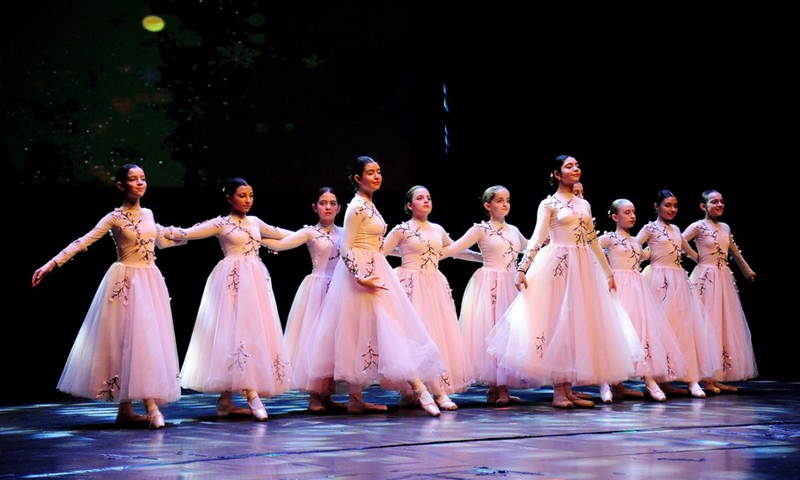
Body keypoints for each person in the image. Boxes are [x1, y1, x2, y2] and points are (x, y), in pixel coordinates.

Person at [31, 164, 186, 429]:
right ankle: (146, 406)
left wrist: (200, 232)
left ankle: (132, 409)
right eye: (133, 180)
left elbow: (162, 239)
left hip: (150, 282)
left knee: (147, 340)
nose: (140, 183)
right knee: (126, 341)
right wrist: (51, 264)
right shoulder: (114, 217)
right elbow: (83, 241)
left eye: (143, 179)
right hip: (125, 282)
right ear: (120, 186)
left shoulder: (148, 214)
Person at [485, 155, 643, 409]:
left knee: (575, 325)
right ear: (557, 174)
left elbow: (591, 240)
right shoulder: (548, 204)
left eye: (577, 165)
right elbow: (538, 238)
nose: (575, 169)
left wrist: (607, 273)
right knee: (558, 322)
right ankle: (559, 390)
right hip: (558, 265)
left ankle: (568, 389)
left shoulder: (584, 204)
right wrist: (523, 268)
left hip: (582, 267)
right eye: (569, 166)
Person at [298, 156, 449, 417]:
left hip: (376, 267)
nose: (377, 176)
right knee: (363, 330)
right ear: (358, 179)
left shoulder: (370, 205)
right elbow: (346, 246)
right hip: (362, 272)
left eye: (379, 172)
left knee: (389, 327)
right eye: (370, 173)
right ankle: (412, 390)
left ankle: (388, 393)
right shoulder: (356, 207)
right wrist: (359, 276)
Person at [164, 178, 294, 421]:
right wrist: (157, 231)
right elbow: (187, 233)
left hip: (255, 282)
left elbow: (283, 235)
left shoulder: (255, 222)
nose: (247, 200)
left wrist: (312, 235)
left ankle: (225, 402)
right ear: (229, 198)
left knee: (253, 332)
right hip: (231, 282)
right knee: (232, 333)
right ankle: (250, 394)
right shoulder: (220, 223)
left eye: (251, 195)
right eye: (242, 195)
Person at [380, 185, 478, 411]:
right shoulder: (401, 230)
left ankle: (437, 390)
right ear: (409, 205)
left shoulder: (437, 229)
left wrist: (486, 258)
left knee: (437, 334)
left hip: (433, 285)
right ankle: (417, 389)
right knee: (414, 337)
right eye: (420, 198)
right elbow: (379, 253)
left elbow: (453, 250)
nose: (426, 201)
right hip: (410, 286)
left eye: (428, 198)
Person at [441, 185, 530, 406]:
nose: (505, 204)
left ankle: (499, 388)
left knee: (508, 334)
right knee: (493, 331)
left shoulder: (514, 230)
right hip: (490, 284)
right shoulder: (480, 229)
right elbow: (454, 249)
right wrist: (422, 252)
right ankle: (498, 389)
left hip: (511, 283)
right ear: (488, 205)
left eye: (507, 200)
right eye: (500, 200)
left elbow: (531, 249)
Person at [262, 187, 347, 414]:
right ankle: (315, 397)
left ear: (339, 207)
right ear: (315, 207)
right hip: (318, 288)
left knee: (334, 342)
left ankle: (327, 394)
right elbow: (282, 242)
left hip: (340, 289)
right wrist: (252, 238)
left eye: (332, 203)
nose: (328, 207)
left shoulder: (346, 232)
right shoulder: (310, 232)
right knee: (317, 340)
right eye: (322, 202)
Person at [597, 199, 688, 402]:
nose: (632, 216)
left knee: (641, 333)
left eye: (634, 212)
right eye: (627, 212)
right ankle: (606, 383)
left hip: (638, 289)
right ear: (614, 217)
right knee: (616, 333)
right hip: (617, 288)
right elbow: (591, 249)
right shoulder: (609, 238)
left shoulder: (635, 243)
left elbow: (650, 253)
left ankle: (649, 380)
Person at [635, 189, 722, 398]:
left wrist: (709, 258)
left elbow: (689, 252)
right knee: (659, 329)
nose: (672, 209)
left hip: (678, 282)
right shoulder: (649, 228)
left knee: (683, 329)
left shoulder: (675, 229)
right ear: (657, 207)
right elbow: (634, 247)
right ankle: (654, 379)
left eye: (675, 206)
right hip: (657, 279)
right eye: (667, 205)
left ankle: (691, 379)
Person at [682, 190, 757, 392]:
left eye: (721, 202)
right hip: (705, 280)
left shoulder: (725, 227)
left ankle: (716, 377)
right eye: (714, 202)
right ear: (703, 206)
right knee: (707, 325)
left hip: (723, 279)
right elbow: (678, 242)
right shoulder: (698, 226)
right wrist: (697, 257)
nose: (719, 205)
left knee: (723, 326)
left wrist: (747, 271)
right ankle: (704, 377)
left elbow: (734, 251)